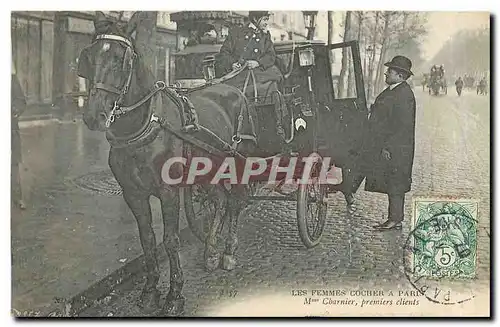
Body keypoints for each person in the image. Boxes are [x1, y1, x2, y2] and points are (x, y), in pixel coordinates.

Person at [348, 56, 416, 230]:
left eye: (390, 71)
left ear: (400, 75)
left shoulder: (404, 95)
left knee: (396, 183)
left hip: (396, 148)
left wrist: (388, 147)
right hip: (383, 143)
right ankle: (349, 188)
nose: (386, 73)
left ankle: (395, 219)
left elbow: (403, 126)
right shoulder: (393, 90)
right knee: (368, 166)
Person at [216, 11, 283, 94]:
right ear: (255, 19)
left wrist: (258, 63)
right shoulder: (236, 32)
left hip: (259, 73)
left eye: (267, 20)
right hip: (238, 75)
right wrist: (232, 64)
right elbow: (223, 54)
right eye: (264, 20)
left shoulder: (265, 36)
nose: (266, 23)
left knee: (273, 86)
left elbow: (271, 55)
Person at [12, 69, 27, 210]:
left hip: (8, 128)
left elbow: (21, 101)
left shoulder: (10, 78)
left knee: (13, 164)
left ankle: (17, 197)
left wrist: (13, 110)